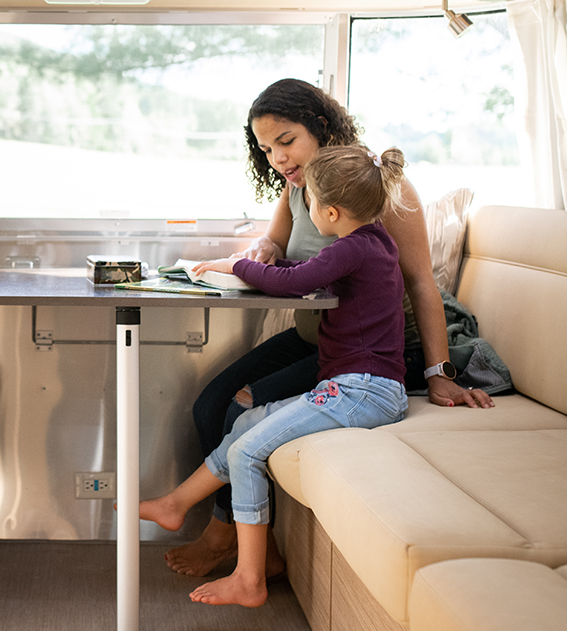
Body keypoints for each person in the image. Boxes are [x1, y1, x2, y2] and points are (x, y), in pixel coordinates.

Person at [165, 79, 495, 579]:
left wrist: (439, 372)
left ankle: (224, 536)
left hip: (369, 347)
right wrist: (265, 251)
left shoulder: (380, 188)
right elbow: (273, 244)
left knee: (241, 405)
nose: (277, 157)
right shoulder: (298, 188)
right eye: (266, 148)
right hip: (314, 336)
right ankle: (255, 545)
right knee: (209, 402)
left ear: (320, 126)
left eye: (286, 141)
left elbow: (422, 282)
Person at [140, 144, 412, 607]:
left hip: (363, 391)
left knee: (246, 450)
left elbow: (295, 282)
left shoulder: (353, 248)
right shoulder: (373, 242)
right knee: (246, 423)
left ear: (328, 210)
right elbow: (304, 272)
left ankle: (249, 579)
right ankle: (175, 504)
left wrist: (236, 266)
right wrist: (263, 266)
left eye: (308, 202)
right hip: (355, 387)